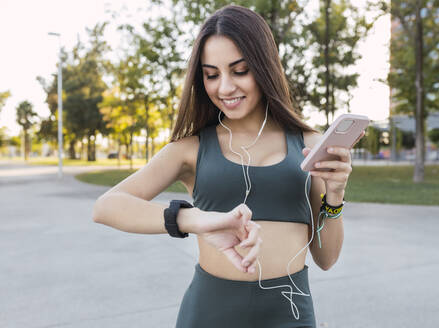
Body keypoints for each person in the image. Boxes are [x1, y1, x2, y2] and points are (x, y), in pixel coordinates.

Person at [92, 5, 360, 328]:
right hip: (208, 316)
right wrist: (193, 218)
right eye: (212, 74)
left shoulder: (310, 145)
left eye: (240, 70)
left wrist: (334, 196)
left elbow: (327, 258)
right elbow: (106, 207)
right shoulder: (190, 149)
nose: (225, 87)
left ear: (263, 67)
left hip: (291, 317)